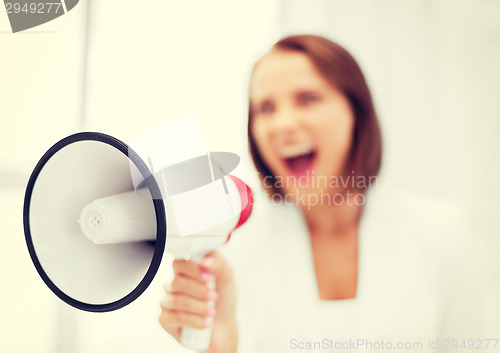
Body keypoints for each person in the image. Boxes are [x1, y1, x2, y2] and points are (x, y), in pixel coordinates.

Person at [158, 35, 485, 353]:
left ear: (355, 113)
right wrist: (221, 350)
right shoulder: (231, 251)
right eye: (265, 108)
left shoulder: (443, 234)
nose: (282, 123)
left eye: (308, 98)